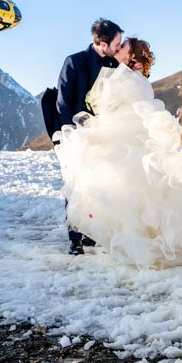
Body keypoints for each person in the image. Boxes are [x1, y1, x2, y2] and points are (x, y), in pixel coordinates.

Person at [55, 36, 182, 269]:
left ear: (133, 58)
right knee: (119, 193)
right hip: (119, 143)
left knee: (127, 194)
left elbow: (127, 112)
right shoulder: (120, 74)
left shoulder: (131, 80)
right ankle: (105, 238)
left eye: (123, 46)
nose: (117, 48)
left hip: (126, 143)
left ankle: (135, 244)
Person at [53, 19, 124, 255]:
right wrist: (68, 135)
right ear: (102, 43)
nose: (119, 46)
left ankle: (92, 232)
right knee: (75, 185)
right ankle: (75, 238)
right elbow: (63, 102)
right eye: (116, 43)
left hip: (103, 135)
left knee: (98, 184)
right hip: (75, 135)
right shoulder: (74, 61)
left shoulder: (114, 63)